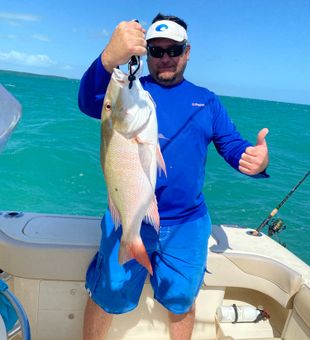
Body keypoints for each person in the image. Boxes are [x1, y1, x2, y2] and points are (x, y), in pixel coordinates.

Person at [78, 13, 269, 340]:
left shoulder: (207, 101)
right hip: (127, 215)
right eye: (156, 50)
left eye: (174, 50)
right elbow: (90, 101)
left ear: (187, 51)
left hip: (187, 224)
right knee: (106, 296)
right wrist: (109, 58)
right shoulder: (133, 92)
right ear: (145, 53)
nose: (165, 58)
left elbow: (232, 145)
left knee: (181, 302)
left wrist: (253, 160)